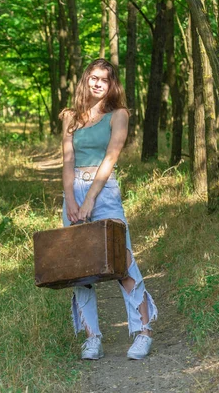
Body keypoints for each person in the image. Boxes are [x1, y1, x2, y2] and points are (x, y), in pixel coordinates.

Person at [60, 58, 158, 360]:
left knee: (121, 260)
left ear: (111, 84)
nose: (98, 82)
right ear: (85, 80)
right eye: (93, 77)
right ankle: (92, 338)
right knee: (81, 270)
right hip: (73, 195)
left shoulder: (119, 115)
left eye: (104, 78)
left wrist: (90, 198)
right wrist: (72, 200)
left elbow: (111, 156)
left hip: (103, 193)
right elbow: (66, 161)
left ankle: (143, 331)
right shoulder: (70, 117)